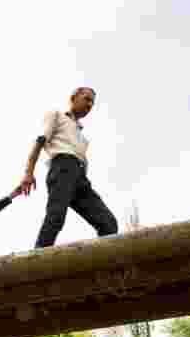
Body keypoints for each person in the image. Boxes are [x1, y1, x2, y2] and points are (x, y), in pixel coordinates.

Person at [20, 86, 119, 248]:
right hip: (62, 168)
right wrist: (28, 173)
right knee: (56, 217)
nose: (89, 105)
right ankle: (36, 261)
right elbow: (40, 141)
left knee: (108, 223)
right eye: (86, 99)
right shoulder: (57, 116)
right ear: (74, 97)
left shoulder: (80, 133)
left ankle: (101, 267)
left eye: (92, 103)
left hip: (80, 176)